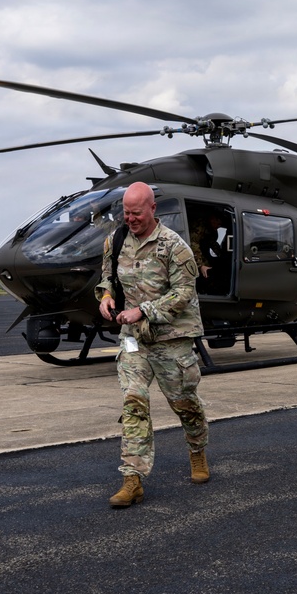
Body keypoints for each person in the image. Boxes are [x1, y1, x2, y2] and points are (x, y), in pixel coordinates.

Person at [96, 182, 210, 508]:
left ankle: (197, 448)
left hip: (171, 339)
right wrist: (105, 297)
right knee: (134, 400)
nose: (130, 219)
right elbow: (107, 278)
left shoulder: (175, 247)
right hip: (133, 340)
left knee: (184, 403)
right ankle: (132, 479)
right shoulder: (115, 241)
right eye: (126, 212)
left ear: (152, 209)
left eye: (136, 213)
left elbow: (184, 294)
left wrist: (143, 309)